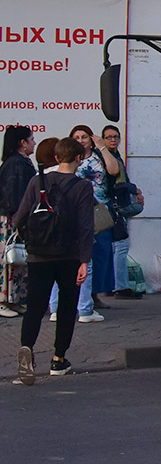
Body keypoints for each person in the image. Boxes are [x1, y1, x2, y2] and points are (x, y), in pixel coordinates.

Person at [13, 136, 95, 385]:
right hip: (69, 256)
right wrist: (84, 260)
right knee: (67, 307)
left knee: (35, 308)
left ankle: (27, 347)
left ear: (57, 157)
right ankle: (59, 360)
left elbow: (19, 218)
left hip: (38, 256)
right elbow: (85, 227)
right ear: (79, 159)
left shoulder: (37, 181)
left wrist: (30, 240)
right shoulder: (82, 187)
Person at [49, 125, 107, 323]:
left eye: (84, 136)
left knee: (58, 267)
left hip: (55, 228)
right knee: (85, 266)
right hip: (80, 224)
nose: (81, 140)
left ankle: (56, 309)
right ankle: (84, 309)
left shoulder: (46, 177)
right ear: (77, 157)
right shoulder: (82, 184)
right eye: (77, 137)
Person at [98, 125, 145, 299]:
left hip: (115, 205)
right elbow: (115, 183)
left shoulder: (116, 155)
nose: (113, 140)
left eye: (115, 136)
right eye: (108, 137)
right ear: (102, 139)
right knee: (120, 245)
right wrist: (134, 189)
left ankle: (110, 285)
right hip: (112, 206)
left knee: (114, 246)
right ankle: (120, 287)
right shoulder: (105, 157)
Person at [1, 126, 37, 318]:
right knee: (10, 257)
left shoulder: (19, 162)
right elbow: (14, 195)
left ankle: (13, 299)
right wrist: (19, 217)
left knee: (17, 259)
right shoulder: (16, 164)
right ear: (23, 143)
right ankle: (3, 299)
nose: (34, 143)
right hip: (12, 218)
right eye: (31, 139)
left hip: (16, 217)